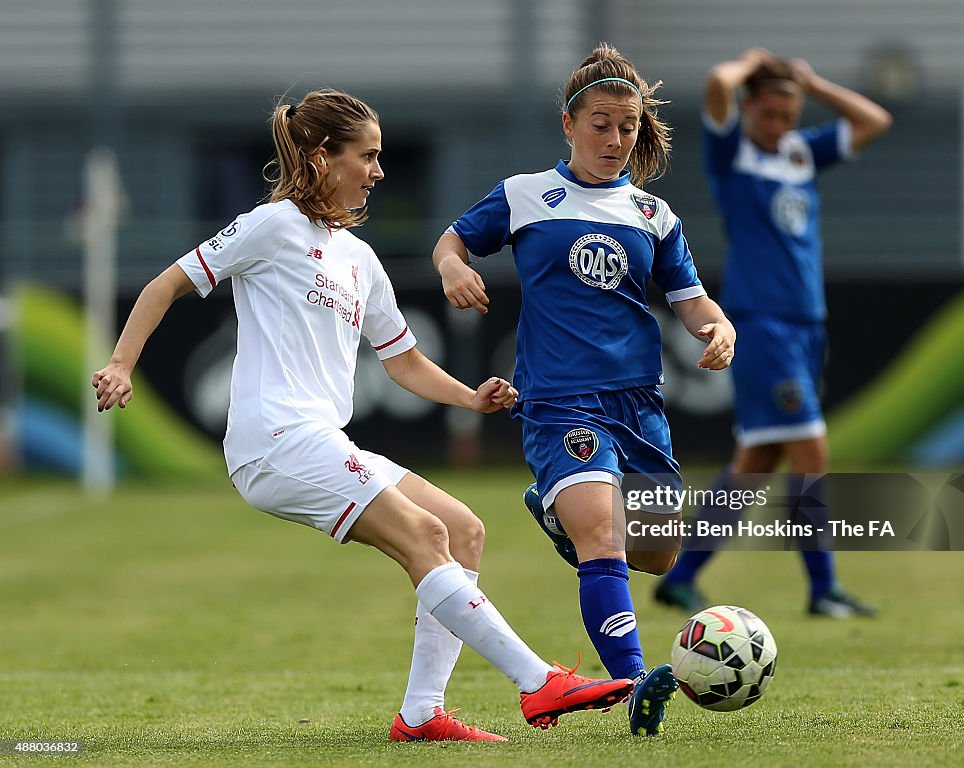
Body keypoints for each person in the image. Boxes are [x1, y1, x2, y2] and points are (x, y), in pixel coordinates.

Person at [91, 88, 636, 743]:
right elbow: (167, 283)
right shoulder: (272, 226)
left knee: (462, 530)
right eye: (367, 156)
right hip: (273, 440)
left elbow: (403, 362)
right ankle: (537, 680)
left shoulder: (360, 259)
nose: (379, 171)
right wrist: (121, 363)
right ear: (323, 157)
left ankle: (421, 714)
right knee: (425, 537)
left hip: (318, 438)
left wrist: (470, 397)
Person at [433, 45, 736, 736]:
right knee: (602, 539)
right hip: (559, 400)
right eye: (600, 124)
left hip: (639, 403)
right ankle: (635, 684)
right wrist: (452, 268)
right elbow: (450, 243)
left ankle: (554, 514)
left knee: (657, 553)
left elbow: (692, 301)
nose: (615, 139)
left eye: (627, 127)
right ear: (569, 125)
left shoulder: (653, 214)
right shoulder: (523, 194)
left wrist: (721, 329)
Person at [654, 49, 892, 618]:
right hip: (762, 323)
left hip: (807, 323)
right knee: (810, 450)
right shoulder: (732, 151)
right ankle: (824, 589)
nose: (780, 124)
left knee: (756, 463)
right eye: (769, 113)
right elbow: (717, 81)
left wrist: (813, 82)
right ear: (749, 107)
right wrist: (749, 64)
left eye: (790, 114)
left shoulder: (799, 152)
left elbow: (875, 121)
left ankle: (680, 577)